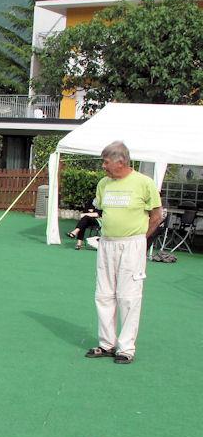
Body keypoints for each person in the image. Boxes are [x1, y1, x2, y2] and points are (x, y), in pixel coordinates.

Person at [85, 141, 162, 365]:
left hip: (132, 244)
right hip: (107, 244)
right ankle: (106, 344)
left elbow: (157, 216)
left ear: (121, 162)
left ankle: (126, 348)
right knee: (104, 294)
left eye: (106, 162)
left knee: (129, 296)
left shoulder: (144, 183)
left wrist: (140, 239)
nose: (103, 166)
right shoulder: (103, 184)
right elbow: (102, 210)